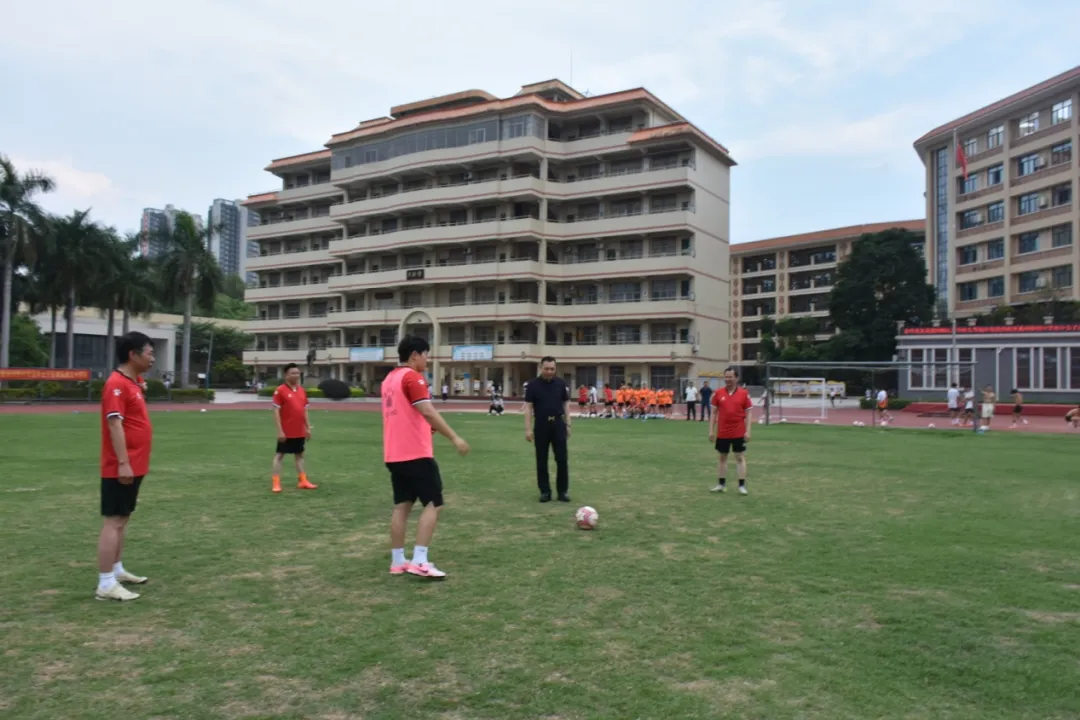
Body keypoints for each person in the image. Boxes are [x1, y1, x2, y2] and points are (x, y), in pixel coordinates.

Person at [382, 336, 470, 579]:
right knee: (434, 503)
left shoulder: (389, 379)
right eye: (425, 354)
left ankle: (398, 561)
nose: (427, 359)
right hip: (416, 453)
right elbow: (427, 411)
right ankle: (420, 560)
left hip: (394, 453)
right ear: (414, 355)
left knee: (402, 505)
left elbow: (406, 414)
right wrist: (455, 438)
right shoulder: (413, 377)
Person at [96, 332, 156, 602]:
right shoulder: (116, 385)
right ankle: (105, 583)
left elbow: (137, 388)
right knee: (113, 521)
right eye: (149, 353)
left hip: (135, 463)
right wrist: (123, 463)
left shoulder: (132, 382)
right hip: (121, 465)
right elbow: (114, 424)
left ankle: (117, 570)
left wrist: (140, 385)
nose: (152, 358)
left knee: (123, 519)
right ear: (133, 354)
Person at [525, 356, 572, 503]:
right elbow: (528, 408)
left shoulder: (560, 383)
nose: (549, 371)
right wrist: (528, 429)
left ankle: (562, 492)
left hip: (558, 425)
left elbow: (566, 404)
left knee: (562, 460)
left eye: (552, 369)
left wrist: (568, 424)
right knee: (541, 460)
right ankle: (545, 492)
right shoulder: (532, 385)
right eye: (547, 368)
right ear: (541, 368)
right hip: (541, 426)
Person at [271, 363, 317, 493]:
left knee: (300, 455)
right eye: (293, 373)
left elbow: (304, 410)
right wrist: (279, 431)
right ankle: (276, 482)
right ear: (286, 375)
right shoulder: (280, 390)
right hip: (286, 431)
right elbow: (275, 411)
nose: (296, 375)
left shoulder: (302, 390)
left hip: (299, 430)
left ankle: (303, 480)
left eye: (298, 373)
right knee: (279, 455)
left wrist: (308, 427)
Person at [708, 367, 753, 495]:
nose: (728, 379)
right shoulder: (718, 393)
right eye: (726, 377)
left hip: (738, 431)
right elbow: (713, 413)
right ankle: (721, 484)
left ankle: (741, 486)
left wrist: (748, 430)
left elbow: (749, 412)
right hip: (723, 432)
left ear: (736, 378)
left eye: (730, 377)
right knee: (722, 457)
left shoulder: (743, 393)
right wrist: (711, 430)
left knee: (739, 457)